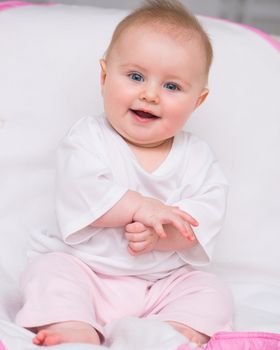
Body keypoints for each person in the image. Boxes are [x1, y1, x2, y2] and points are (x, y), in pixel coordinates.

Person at [15, 0, 233, 347]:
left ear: (198, 100)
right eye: (135, 76)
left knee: (211, 290)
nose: (150, 94)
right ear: (104, 77)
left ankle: (169, 329)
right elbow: (82, 191)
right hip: (87, 272)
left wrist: (165, 236)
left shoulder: (196, 156)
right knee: (48, 272)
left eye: (172, 87)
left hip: (160, 284)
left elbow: (206, 216)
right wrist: (139, 207)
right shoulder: (88, 138)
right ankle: (74, 325)